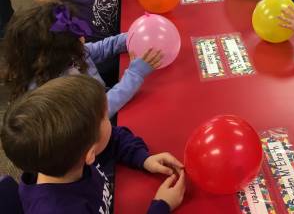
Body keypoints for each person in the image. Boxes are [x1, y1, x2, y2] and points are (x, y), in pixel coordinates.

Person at [1, 75, 186, 213]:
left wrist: (144, 159)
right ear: (90, 154)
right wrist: (161, 206)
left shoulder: (67, 154)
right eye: (106, 118)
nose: (111, 122)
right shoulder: (59, 208)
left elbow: (114, 138)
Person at [1, 3, 161, 118]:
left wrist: (131, 38)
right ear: (56, 51)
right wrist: (135, 74)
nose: (83, 37)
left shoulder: (69, 54)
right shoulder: (55, 89)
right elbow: (100, 110)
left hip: (102, 100)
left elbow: (102, 48)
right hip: (95, 129)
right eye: (76, 37)